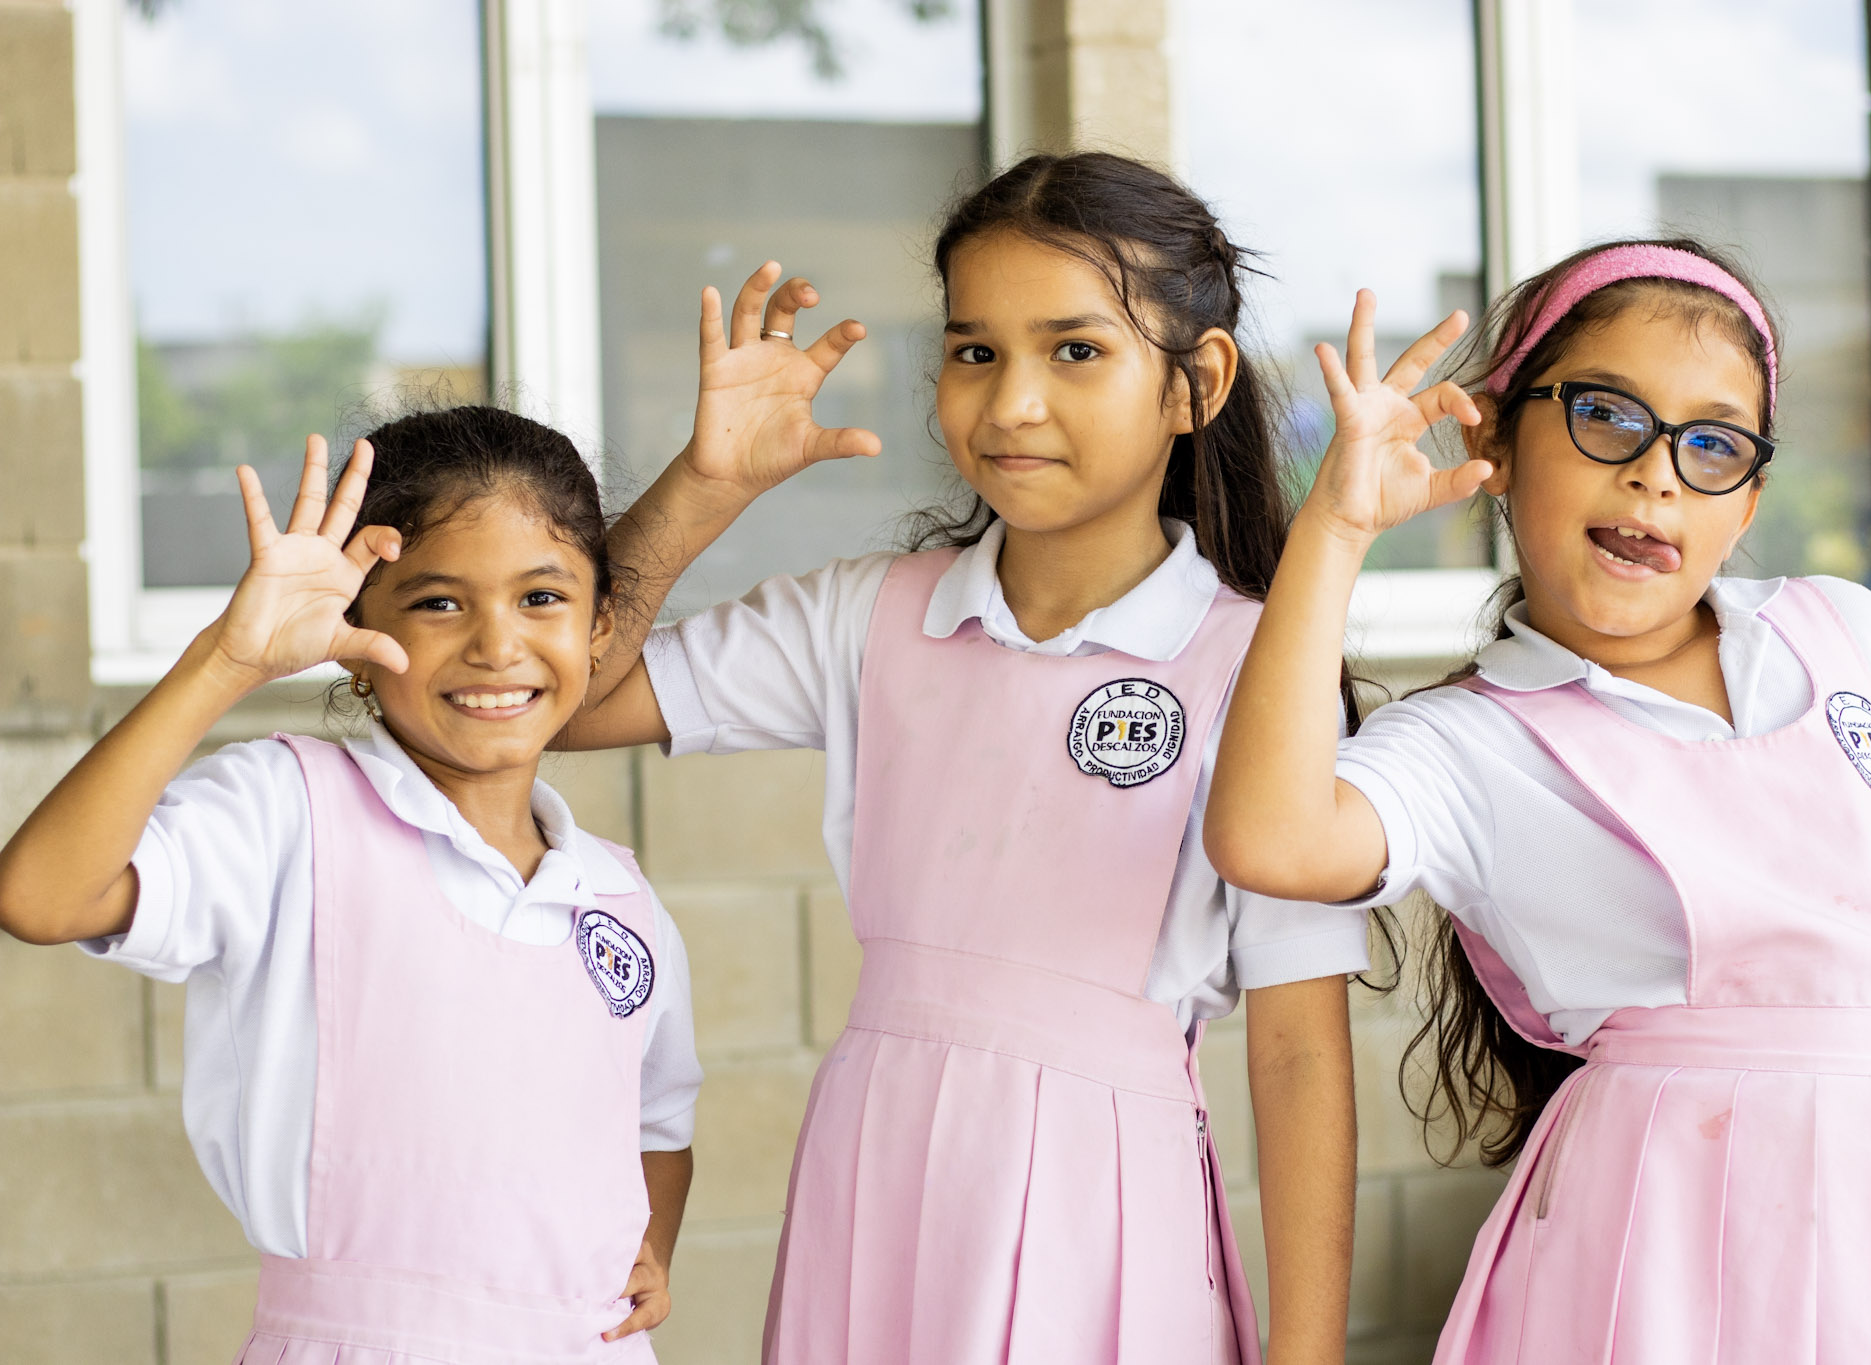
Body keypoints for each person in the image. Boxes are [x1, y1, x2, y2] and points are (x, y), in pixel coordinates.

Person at [561, 152, 1364, 1364]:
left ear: (1193, 383)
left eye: (1075, 350)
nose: (1010, 405)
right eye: (974, 350)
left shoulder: (1261, 665)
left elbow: (1299, 1054)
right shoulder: (866, 615)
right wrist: (705, 485)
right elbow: (554, 701)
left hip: (1109, 1214)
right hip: (874, 1181)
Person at [1205, 238, 1871, 1363]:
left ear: (1747, 502)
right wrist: (1337, 530)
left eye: (1713, 444)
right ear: (1494, 440)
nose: (1657, 473)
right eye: (1606, 415)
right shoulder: (1467, 743)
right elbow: (1266, 839)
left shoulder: (1847, 634)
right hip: (1650, 1260)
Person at [0, 408, 701, 1362]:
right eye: (439, 602)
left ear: (601, 621)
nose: (497, 645)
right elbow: (42, 896)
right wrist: (226, 661)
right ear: (356, 629)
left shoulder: (619, 898)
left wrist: (650, 1245)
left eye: (542, 597)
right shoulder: (288, 811)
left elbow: (657, 1121)